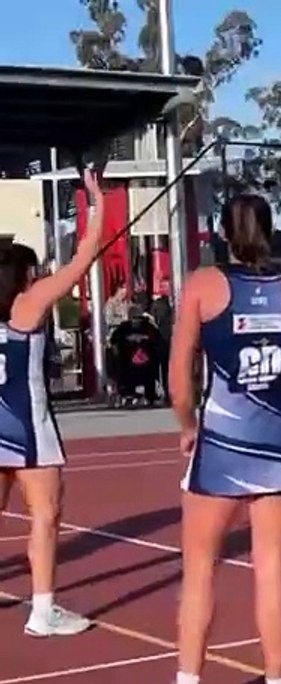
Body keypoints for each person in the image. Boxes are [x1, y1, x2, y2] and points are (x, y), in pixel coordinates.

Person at [145, 193, 281, 684]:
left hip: (224, 440)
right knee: (272, 567)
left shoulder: (203, 286)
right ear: (272, 230)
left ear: (221, 233)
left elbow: (178, 378)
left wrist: (187, 427)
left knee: (199, 568)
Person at [0, 169, 102, 638]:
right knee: (45, 515)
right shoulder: (31, 302)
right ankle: (43, 610)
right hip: (28, 425)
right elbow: (82, 260)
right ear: (22, 274)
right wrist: (97, 205)